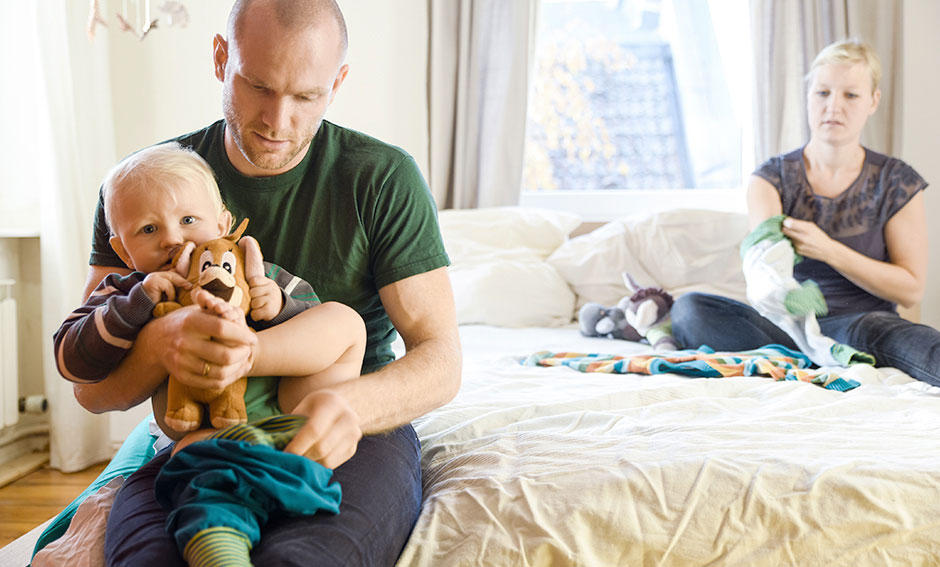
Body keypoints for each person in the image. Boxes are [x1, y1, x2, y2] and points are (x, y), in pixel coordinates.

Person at [67, 1, 462, 565]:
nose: (278, 120)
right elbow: (91, 388)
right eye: (258, 86)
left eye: (306, 96)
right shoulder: (143, 191)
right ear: (220, 59)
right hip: (201, 427)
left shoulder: (381, 177)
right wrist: (163, 346)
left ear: (337, 83)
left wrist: (349, 407)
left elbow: (441, 359)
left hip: (349, 418)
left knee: (304, 559)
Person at [55, 141, 365, 567]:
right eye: (148, 230)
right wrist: (137, 305)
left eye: (187, 220)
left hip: (292, 407)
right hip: (207, 431)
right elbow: (70, 357)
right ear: (123, 251)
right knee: (196, 477)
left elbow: (313, 314)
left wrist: (278, 304)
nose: (172, 238)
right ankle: (218, 542)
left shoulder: (252, 271)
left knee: (343, 320)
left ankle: (262, 391)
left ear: (222, 223)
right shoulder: (128, 293)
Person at [670, 39, 939, 387]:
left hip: (864, 324)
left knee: (925, 344)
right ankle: (806, 360)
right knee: (690, 309)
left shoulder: (897, 180)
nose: (833, 106)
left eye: (851, 95)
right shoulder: (770, 179)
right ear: (808, 96)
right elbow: (764, 269)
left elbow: (910, 290)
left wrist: (829, 250)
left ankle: (803, 362)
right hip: (785, 328)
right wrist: (785, 295)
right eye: (822, 93)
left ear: (873, 101)